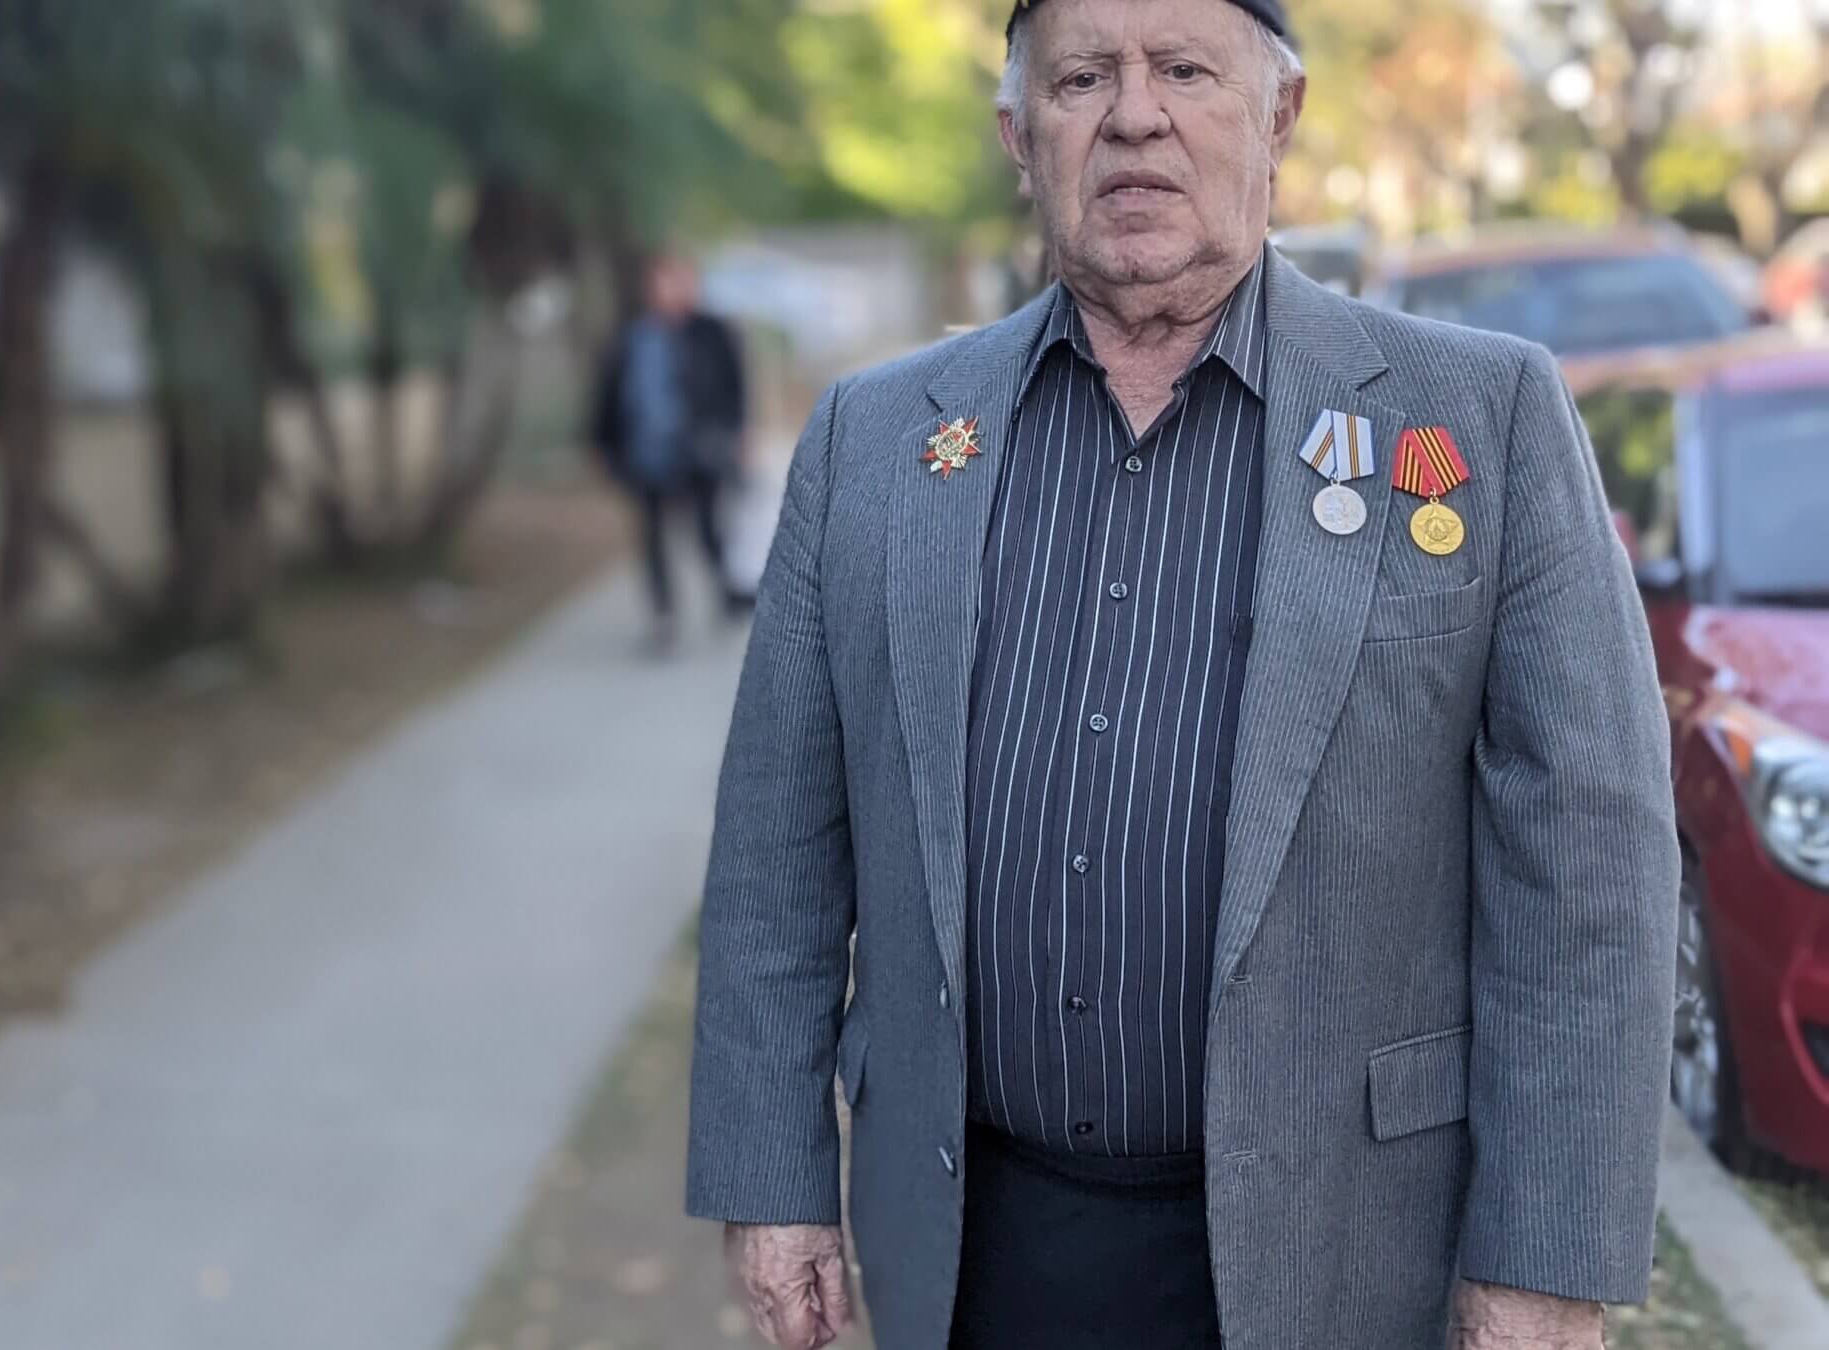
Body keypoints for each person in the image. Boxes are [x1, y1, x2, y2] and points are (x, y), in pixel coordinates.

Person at [683, 1, 1677, 1348]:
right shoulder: (877, 441)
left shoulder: (1477, 419)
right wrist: (772, 1179)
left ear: (1280, 117)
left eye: (1186, 70)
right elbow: (774, 856)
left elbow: (1590, 875)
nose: (1134, 114)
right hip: (978, 1251)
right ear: (1017, 137)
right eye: (1084, 75)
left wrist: (1547, 1258)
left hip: (1351, 1254)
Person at [592, 254, 755, 651]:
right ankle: (664, 614)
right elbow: (608, 394)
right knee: (652, 536)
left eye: (679, 281)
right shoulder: (632, 337)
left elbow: (735, 387)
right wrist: (601, 442)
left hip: (700, 449)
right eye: (664, 282)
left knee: (707, 529)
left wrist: (739, 433)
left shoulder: (712, 333)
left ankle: (724, 589)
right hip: (646, 452)